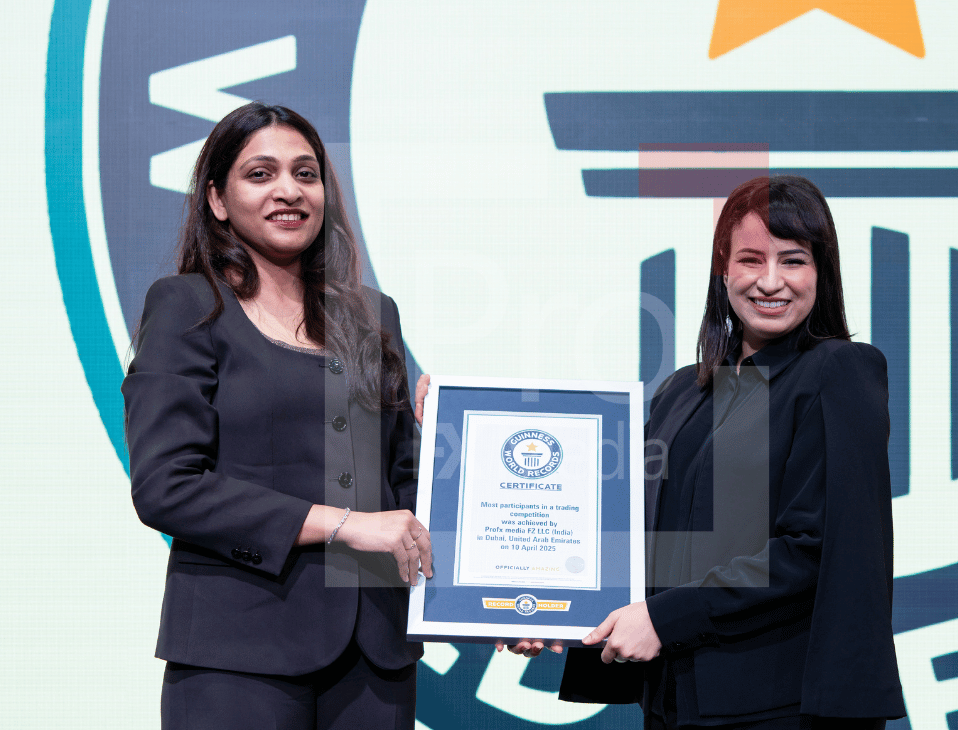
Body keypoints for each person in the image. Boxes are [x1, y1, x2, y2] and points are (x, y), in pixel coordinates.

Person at [459, 175, 906, 728]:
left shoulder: (838, 370)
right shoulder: (682, 391)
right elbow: (620, 527)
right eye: (750, 260)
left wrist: (664, 619)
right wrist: (546, 604)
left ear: (822, 272)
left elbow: (813, 548)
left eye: (793, 261)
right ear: (723, 270)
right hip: (673, 698)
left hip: (778, 705)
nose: (770, 281)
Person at [123, 102, 431, 730]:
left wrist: (447, 441)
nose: (289, 191)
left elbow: (403, 484)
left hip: (376, 657)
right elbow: (166, 486)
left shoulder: (374, 316)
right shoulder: (187, 306)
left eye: (305, 173)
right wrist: (343, 525)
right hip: (237, 653)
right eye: (260, 174)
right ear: (217, 199)